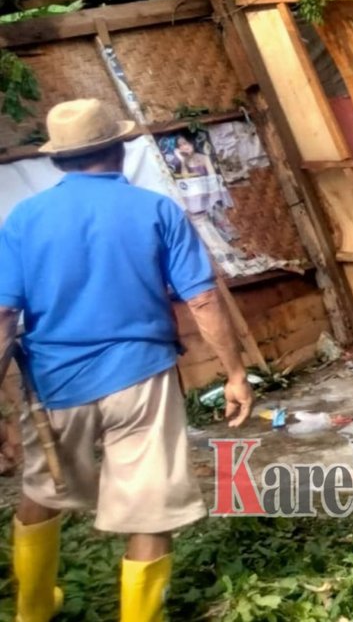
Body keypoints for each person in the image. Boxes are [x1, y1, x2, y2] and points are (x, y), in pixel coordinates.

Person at [0, 98, 255, 622]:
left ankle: (32, 611)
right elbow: (202, 300)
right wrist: (234, 373)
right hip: (143, 378)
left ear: (59, 159)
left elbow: (3, 318)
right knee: (149, 507)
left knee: (40, 490)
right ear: (117, 148)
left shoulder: (24, 218)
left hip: (54, 384)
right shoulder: (156, 209)